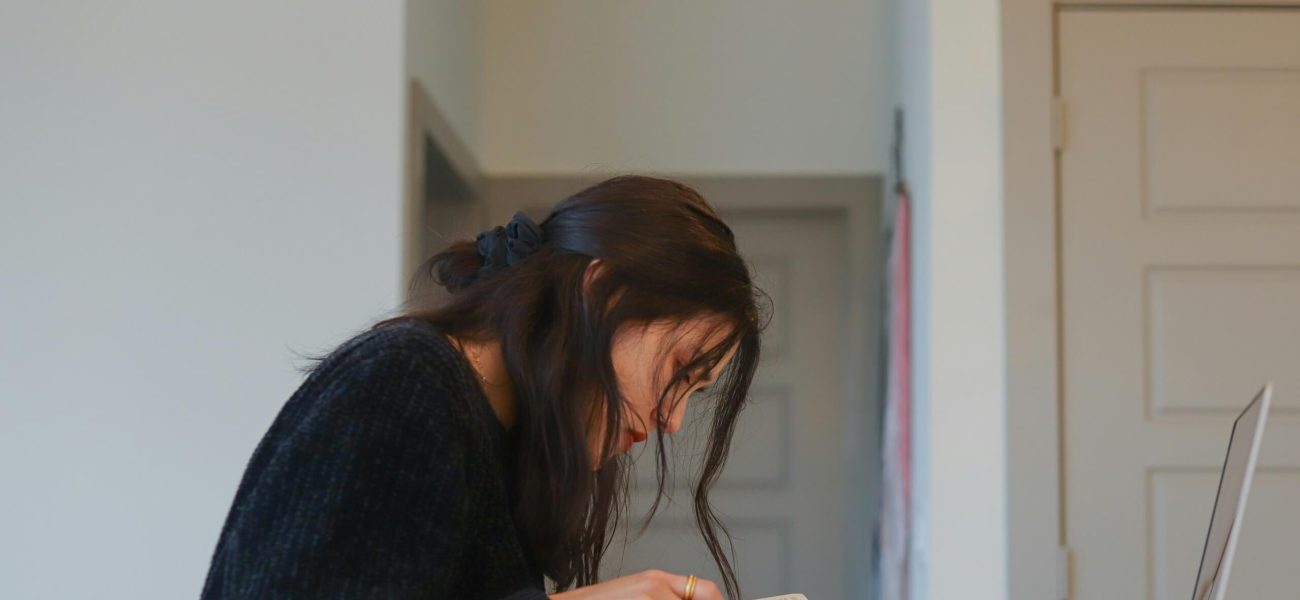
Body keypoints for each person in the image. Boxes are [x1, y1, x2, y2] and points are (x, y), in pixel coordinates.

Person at [200, 175, 770, 599]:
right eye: (681, 369)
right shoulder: (402, 383)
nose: (672, 419)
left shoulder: (501, 435)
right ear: (603, 295)